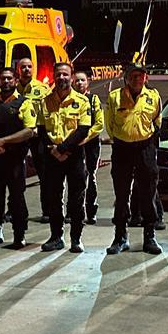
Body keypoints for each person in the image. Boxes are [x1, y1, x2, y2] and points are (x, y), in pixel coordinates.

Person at [105, 62, 163, 255]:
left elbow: (157, 122)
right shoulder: (115, 97)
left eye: (140, 75)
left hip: (145, 149)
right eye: (133, 76)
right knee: (121, 196)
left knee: (148, 194)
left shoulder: (153, 97)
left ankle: (150, 236)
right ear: (126, 77)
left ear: (145, 77)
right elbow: (110, 125)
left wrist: (145, 142)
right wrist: (123, 138)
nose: (137, 79)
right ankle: (120, 236)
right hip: (122, 150)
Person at [0, 67, 37, 248]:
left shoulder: (24, 103)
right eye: (3, 79)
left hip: (15, 161)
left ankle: (19, 234)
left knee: (17, 198)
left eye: (9, 79)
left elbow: (29, 130)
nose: (6, 82)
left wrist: (3, 141)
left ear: (15, 80)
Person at [36, 61, 92, 252]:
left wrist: (63, 148)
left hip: (73, 155)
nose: (61, 78)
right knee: (53, 198)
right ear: (54, 76)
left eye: (65, 75)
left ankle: (76, 238)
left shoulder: (82, 101)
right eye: (58, 74)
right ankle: (56, 236)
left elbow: (83, 129)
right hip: (52, 156)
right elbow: (41, 129)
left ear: (72, 76)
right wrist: (53, 150)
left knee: (76, 199)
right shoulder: (45, 101)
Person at [16, 57, 51, 222]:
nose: (26, 70)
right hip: (19, 136)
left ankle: (47, 210)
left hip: (37, 136)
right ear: (18, 70)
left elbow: (49, 112)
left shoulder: (42, 89)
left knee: (44, 174)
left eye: (29, 67)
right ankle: (15, 209)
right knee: (15, 174)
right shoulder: (13, 89)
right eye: (23, 67)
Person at [72, 69, 105, 225]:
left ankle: (91, 211)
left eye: (82, 80)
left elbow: (99, 124)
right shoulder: (69, 100)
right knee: (74, 179)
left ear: (87, 82)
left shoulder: (94, 99)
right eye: (77, 80)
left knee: (91, 176)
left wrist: (85, 137)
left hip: (90, 144)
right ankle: (72, 210)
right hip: (73, 144)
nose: (79, 83)